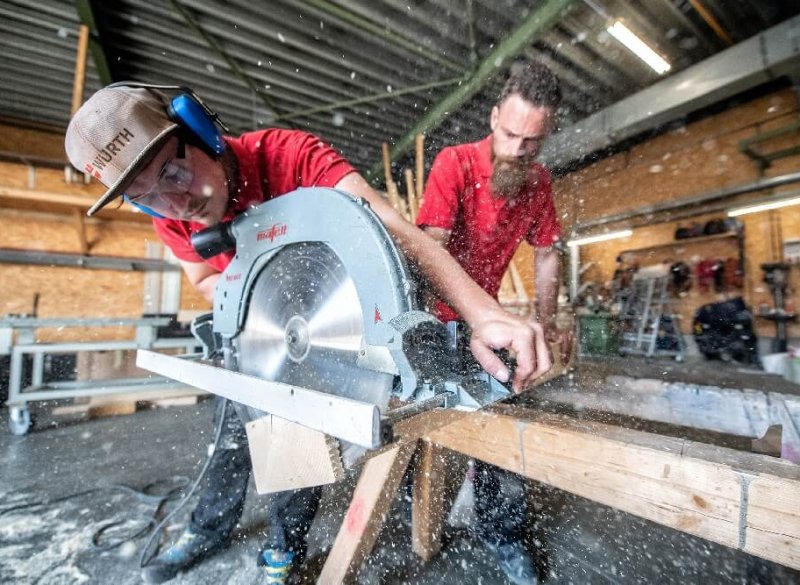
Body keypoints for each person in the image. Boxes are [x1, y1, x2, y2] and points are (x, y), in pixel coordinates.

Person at [64, 84, 552, 583]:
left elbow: (396, 232)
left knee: (318, 438)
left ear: (202, 133)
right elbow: (207, 280)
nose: (175, 201)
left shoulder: (288, 157)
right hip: (270, 336)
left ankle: (295, 544)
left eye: (173, 172)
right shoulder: (172, 219)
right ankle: (224, 532)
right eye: (145, 197)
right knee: (238, 436)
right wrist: (269, 303)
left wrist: (481, 313)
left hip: (339, 328)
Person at [415, 60, 572, 584]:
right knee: (423, 422)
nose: (516, 150)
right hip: (433, 320)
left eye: (531, 141)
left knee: (505, 417)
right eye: (509, 134)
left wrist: (546, 320)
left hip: (491, 322)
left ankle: (500, 530)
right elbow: (429, 254)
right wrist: (476, 315)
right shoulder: (453, 164)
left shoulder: (538, 181)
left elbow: (549, 253)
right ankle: (415, 507)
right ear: (493, 117)